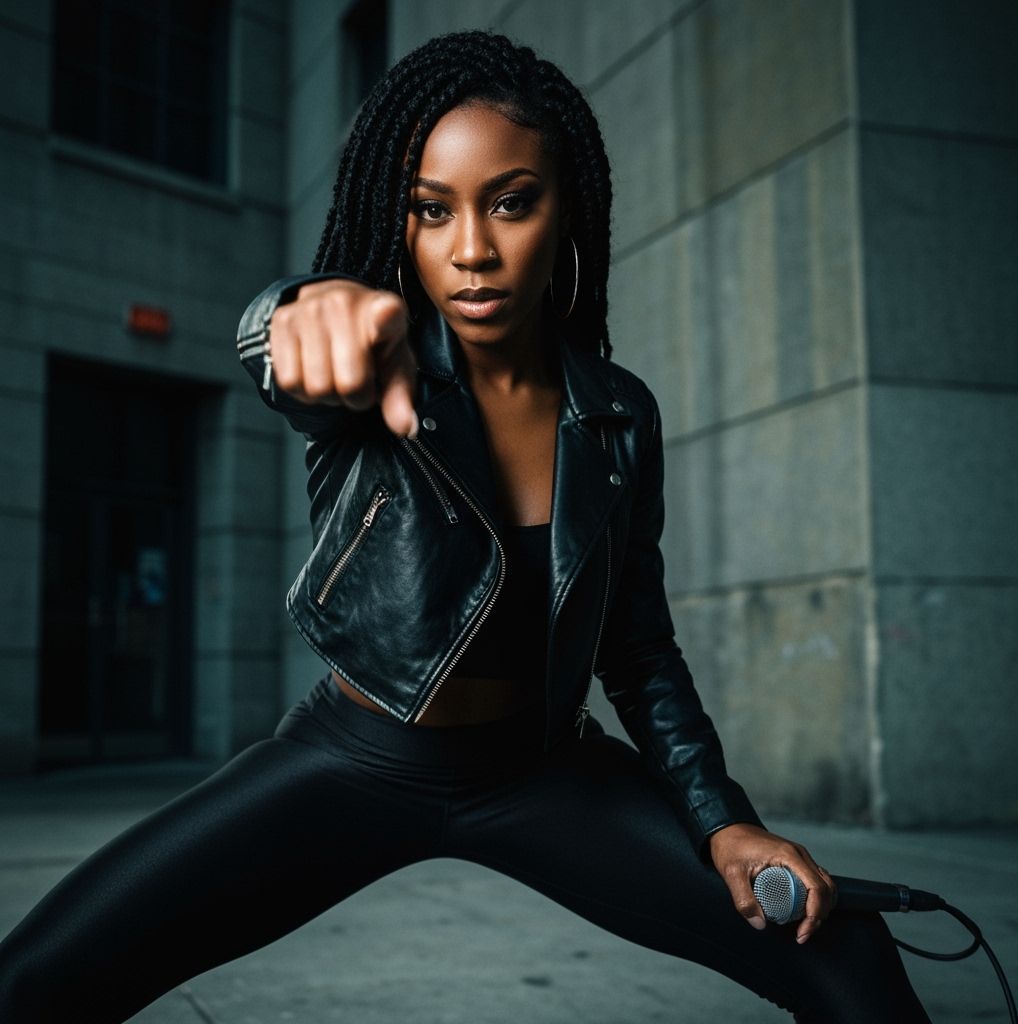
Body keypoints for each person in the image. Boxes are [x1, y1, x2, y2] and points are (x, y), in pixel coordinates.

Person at [0, 29, 931, 1023]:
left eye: (511, 201)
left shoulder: (616, 414)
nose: (471, 249)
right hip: (357, 754)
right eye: (430, 211)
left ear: (564, 206)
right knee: (35, 982)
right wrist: (294, 319)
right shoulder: (378, 368)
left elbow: (639, 646)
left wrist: (722, 823)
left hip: (543, 769)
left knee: (843, 953)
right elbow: (299, 348)